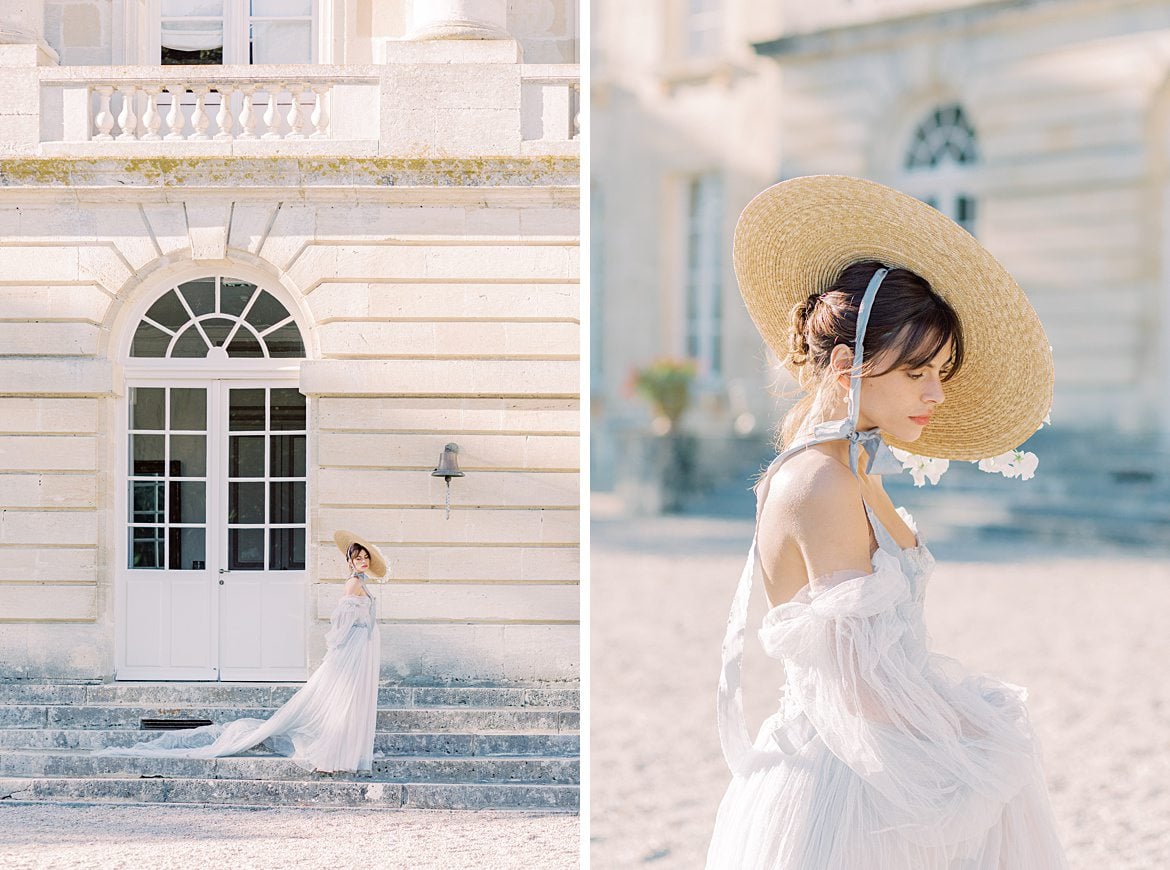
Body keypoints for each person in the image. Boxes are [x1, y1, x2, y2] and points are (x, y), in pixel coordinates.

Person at [706, 176, 1068, 868]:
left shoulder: (852, 471)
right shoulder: (819, 481)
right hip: (846, 785)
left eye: (939, 372)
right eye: (916, 373)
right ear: (847, 366)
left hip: (877, 759)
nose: (935, 393)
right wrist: (975, 730)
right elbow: (855, 688)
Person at [96, 529, 385, 774]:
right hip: (352, 648)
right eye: (357, 558)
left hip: (361, 647)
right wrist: (338, 649)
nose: (361, 562)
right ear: (349, 561)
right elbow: (342, 622)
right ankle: (336, 751)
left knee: (351, 699)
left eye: (365, 558)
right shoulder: (353, 585)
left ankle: (348, 749)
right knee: (341, 699)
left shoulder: (361, 584)